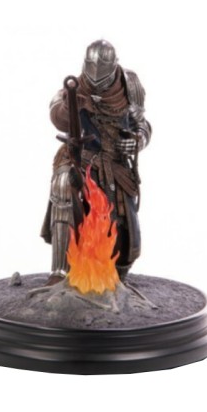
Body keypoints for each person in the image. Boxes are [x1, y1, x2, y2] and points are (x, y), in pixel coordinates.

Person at [41, 40, 151, 284]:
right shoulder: (74, 88)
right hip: (79, 156)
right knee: (62, 183)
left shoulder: (130, 86)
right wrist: (69, 104)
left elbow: (141, 124)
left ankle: (113, 275)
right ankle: (59, 272)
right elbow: (57, 116)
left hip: (114, 163)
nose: (96, 81)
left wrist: (138, 140)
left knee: (121, 225)